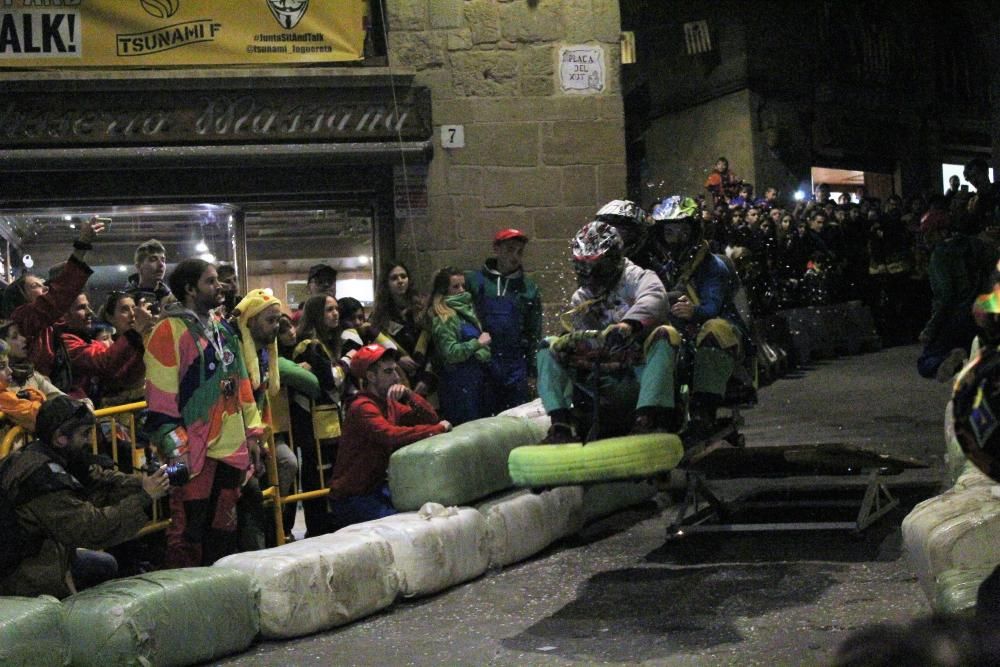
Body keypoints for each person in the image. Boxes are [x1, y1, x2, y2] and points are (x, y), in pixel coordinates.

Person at [144, 258, 265, 567]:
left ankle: (220, 590)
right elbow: (160, 402)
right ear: (189, 289)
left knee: (224, 526)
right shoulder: (166, 331)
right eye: (210, 281)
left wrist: (253, 432)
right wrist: (176, 448)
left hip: (230, 447)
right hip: (184, 453)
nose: (220, 286)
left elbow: (242, 384)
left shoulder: (221, 328)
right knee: (185, 528)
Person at [0, 395, 169, 598]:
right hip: (22, 573)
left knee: (106, 565)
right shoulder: (42, 482)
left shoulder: (47, 453)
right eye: (85, 433)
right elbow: (93, 529)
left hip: (47, 554)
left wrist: (143, 482)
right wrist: (145, 497)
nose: (89, 440)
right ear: (61, 438)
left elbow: (100, 478)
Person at [537, 221, 675, 442]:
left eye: (595, 267)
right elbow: (585, 335)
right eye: (583, 267)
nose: (590, 275)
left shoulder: (638, 277)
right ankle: (560, 423)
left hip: (639, 367)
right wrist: (575, 343)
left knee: (666, 334)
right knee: (548, 346)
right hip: (604, 370)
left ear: (612, 260)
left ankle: (648, 418)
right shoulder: (581, 298)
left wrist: (628, 325)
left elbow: (655, 299)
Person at [649, 196, 748, 438]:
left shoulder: (713, 265)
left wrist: (694, 311)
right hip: (677, 329)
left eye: (682, 231)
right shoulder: (658, 265)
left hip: (719, 332)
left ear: (693, 231)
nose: (676, 238)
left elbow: (712, 306)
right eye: (669, 231)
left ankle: (704, 410)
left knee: (714, 330)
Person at [327, 344, 450, 529]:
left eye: (395, 370)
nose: (396, 377)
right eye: (388, 372)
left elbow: (430, 417)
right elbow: (389, 435)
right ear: (371, 376)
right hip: (353, 499)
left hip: (375, 490)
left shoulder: (388, 404)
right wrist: (437, 430)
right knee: (405, 528)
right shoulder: (363, 407)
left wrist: (409, 395)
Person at [230, 289, 299, 549]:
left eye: (277, 320)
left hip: (258, 435)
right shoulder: (234, 353)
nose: (276, 326)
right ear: (250, 322)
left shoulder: (263, 355)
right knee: (251, 493)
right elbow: (242, 401)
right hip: (236, 437)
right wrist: (253, 440)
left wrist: (265, 442)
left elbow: (262, 401)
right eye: (269, 320)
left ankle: (273, 533)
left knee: (287, 462)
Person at [5, 218, 106, 392]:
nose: (45, 288)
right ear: (20, 296)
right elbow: (57, 297)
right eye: (35, 286)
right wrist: (81, 246)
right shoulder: (22, 319)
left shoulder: (50, 326)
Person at [291, 293, 352, 536]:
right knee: (317, 474)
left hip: (330, 419)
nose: (335, 313)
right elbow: (330, 380)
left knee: (332, 472)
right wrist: (347, 362)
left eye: (336, 309)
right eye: (328, 310)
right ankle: (317, 528)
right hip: (313, 422)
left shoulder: (327, 344)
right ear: (316, 314)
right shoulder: (310, 345)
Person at [466, 229, 542, 415]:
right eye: (510, 249)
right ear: (496, 249)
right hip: (484, 361)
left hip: (515, 364)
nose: (515, 256)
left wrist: (534, 371)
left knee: (517, 416)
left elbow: (535, 332)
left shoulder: (529, 288)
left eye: (519, 252)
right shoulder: (475, 282)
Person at [917, 209, 996, 381]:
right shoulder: (975, 244)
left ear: (941, 232)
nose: (926, 239)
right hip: (984, 311)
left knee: (925, 361)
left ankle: (952, 362)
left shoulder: (940, 255)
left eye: (929, 234)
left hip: (957, 316)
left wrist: (930, 329)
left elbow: (945, 297)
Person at [428, 267, 492, 425]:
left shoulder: (466, 312)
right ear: (444, 291)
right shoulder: (446, 317)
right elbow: (450, 352)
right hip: (458, 386)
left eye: (463, 286)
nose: (461, 290)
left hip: (475, 382)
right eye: (455, 287)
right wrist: (477, 343)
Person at [61, 292, 150, 403]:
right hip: (80, 412)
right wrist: (135, 332)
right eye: (81, 308)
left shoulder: (91, 342)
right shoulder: (64, 341)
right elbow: (104, 363)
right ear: (63, 314)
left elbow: (124, 377)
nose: (90, 312)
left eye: (134, 308)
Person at [369, 261, 432, 395]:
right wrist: (397, 358)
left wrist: (427, 378)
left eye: (403, 276)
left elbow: (434, 345)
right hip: (396, 378)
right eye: (394, 278)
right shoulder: (380, 315)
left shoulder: (422, 309)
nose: (400, 281)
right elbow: (376, 347)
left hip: (425, 376)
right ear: (386, 283)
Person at [0, 339, 46, 432]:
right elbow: (37, 412)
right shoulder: (3, 397)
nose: (10, 371)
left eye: (8, 365)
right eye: (1, 367)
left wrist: (31, 395)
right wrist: (35, 397)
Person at [125, 238, 170, 314]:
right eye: (153, 259)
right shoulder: (124, 301)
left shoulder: (172, 301)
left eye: (163, 260)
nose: (161, 264)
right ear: (139, 266)